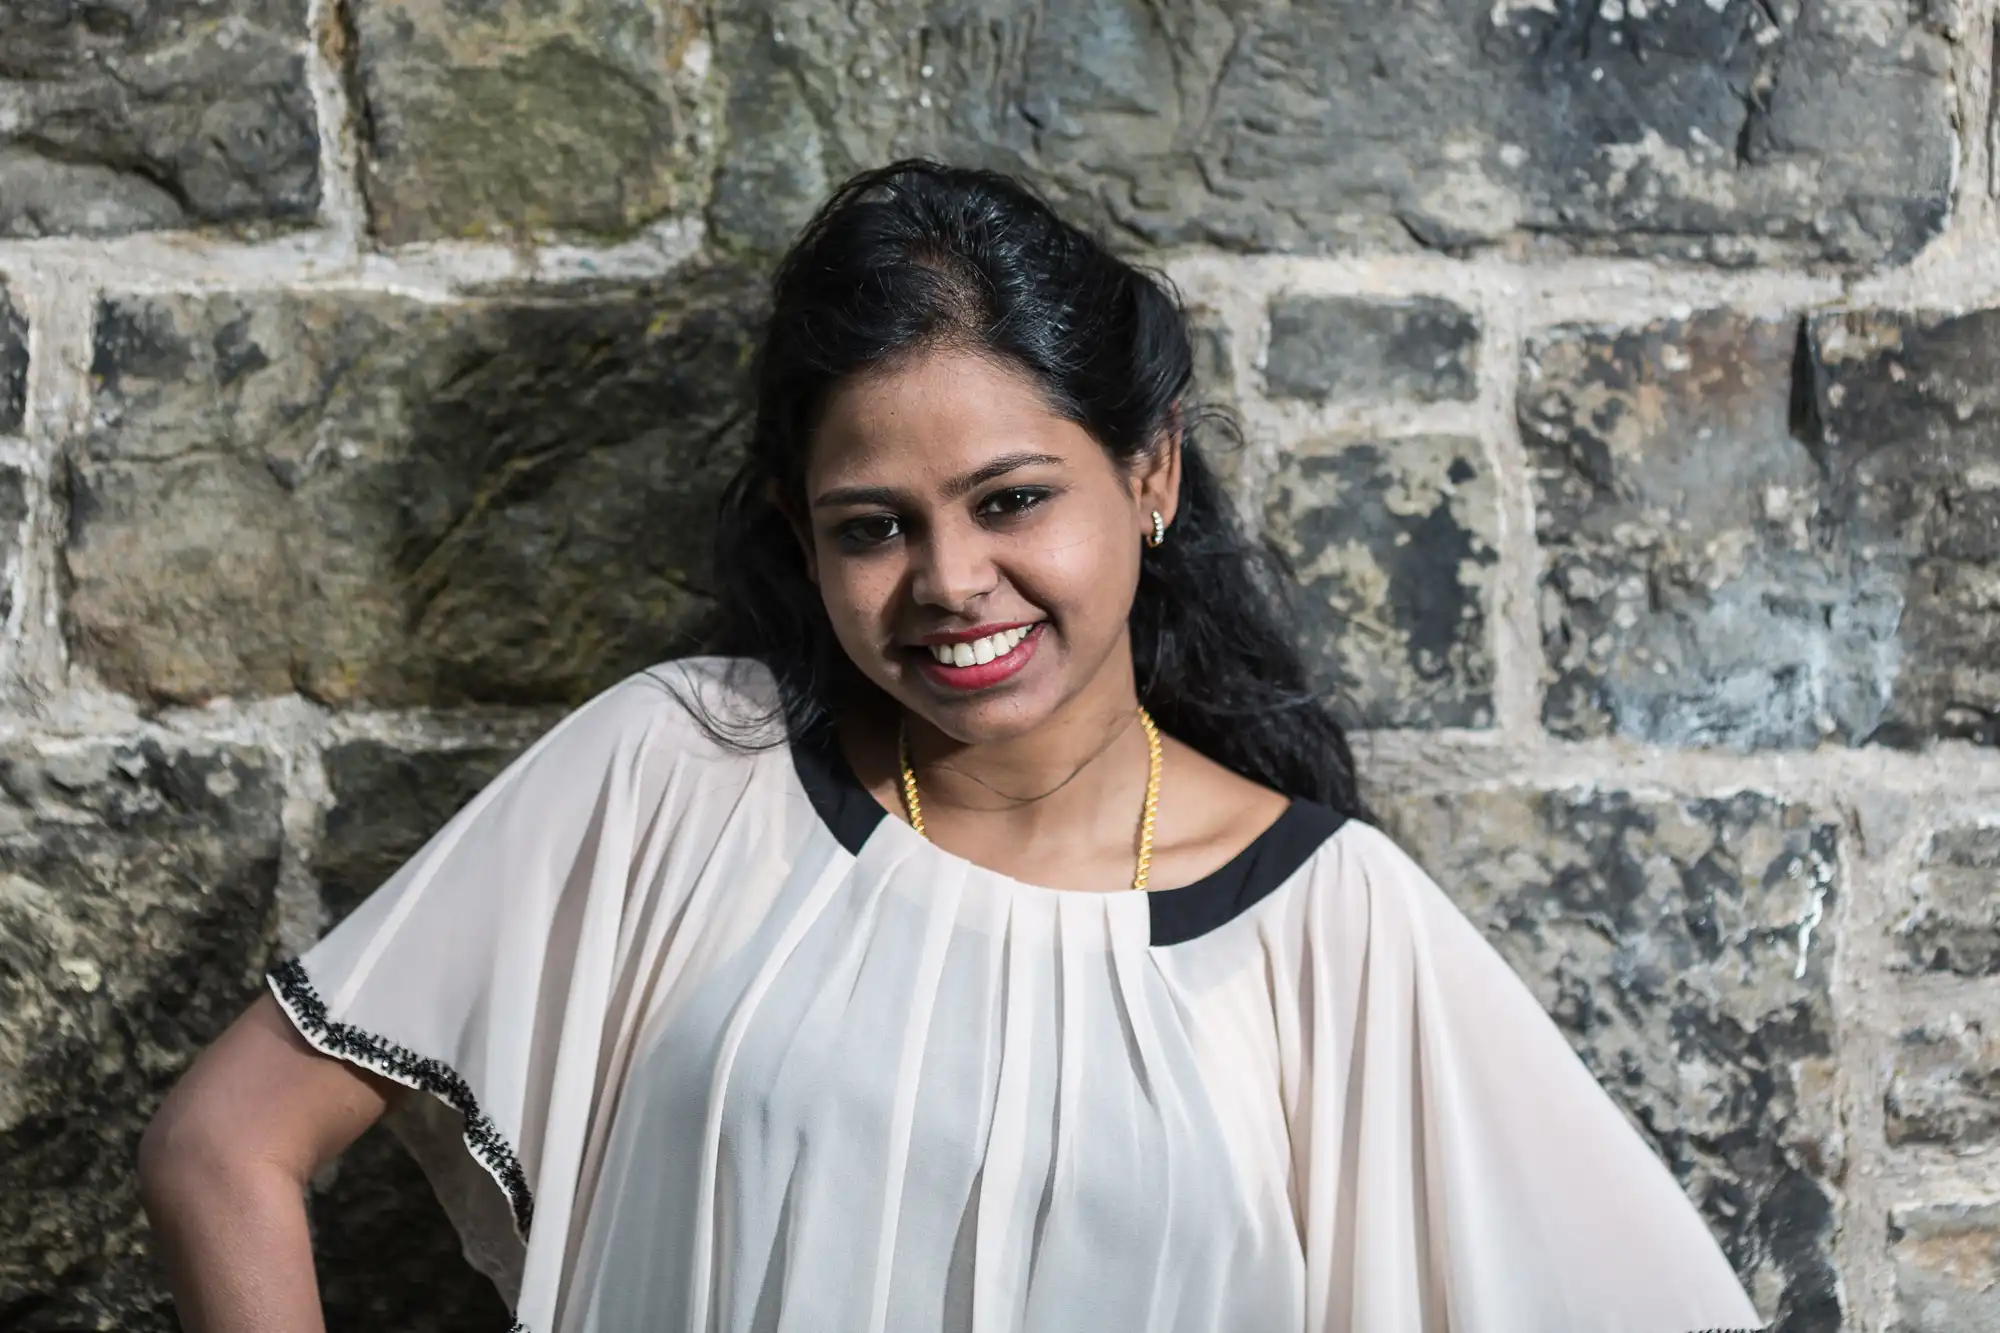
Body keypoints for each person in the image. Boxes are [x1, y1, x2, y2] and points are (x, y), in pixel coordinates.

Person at [137, 159, 1764, 1333]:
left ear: (1151, 475)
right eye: (875, 526)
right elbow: (224, 1147)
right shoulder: (682, 772)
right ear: (802, 531)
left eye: (1011, 500)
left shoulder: (1333, 929)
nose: (950, 585)